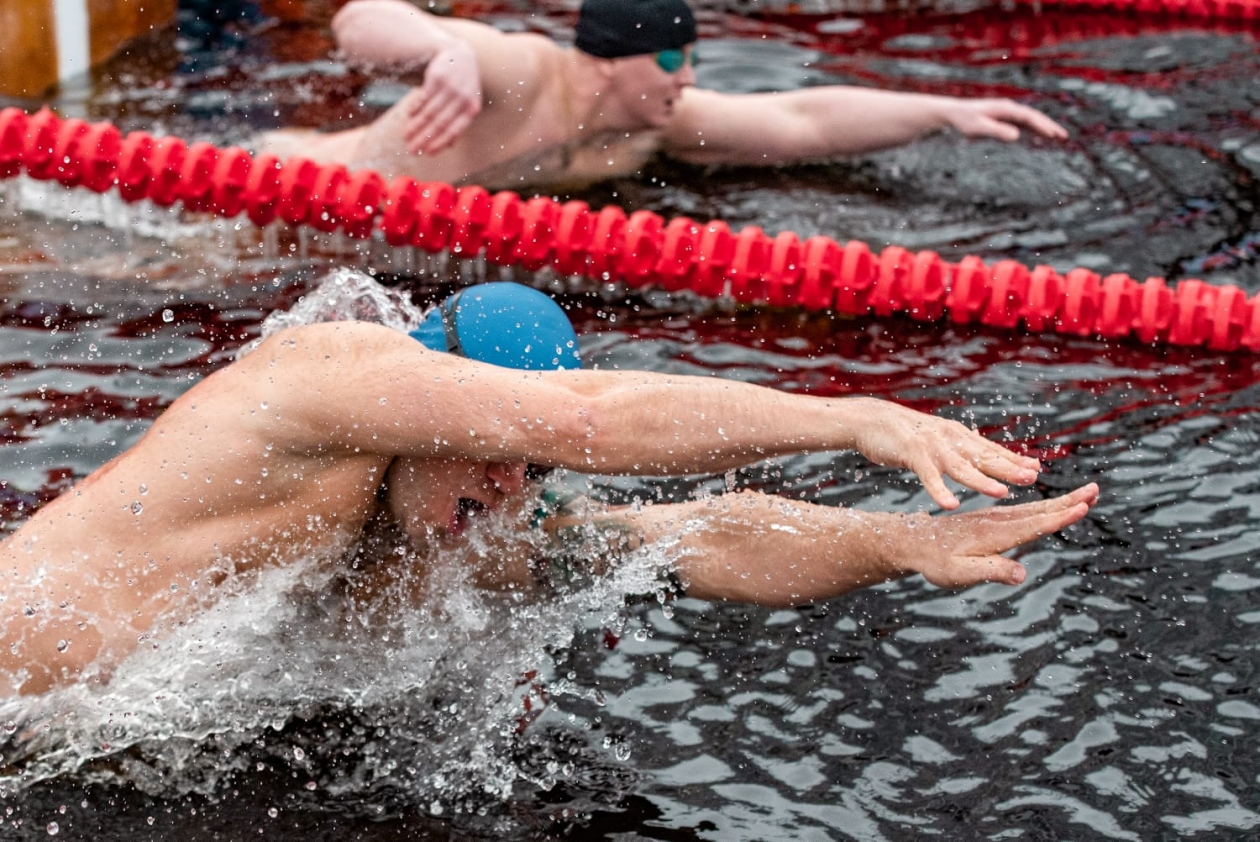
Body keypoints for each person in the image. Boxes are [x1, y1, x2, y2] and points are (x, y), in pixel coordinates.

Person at [0, 278, 1098, 699]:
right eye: (493, 441)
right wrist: (852, 416)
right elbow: (587, 421)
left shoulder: (456, 533)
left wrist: (892, 544)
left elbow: (699, 538)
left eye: (532, 469)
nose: (511, 477)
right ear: (438, 399)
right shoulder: (318, 384)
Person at [255, 0, 1070, 191]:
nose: (687, 77)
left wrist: (944, 109)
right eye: (674, 57)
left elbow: (798, 119)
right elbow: (359, 18)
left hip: (411, 242)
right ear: (611, 62)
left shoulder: (648, 129)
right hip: (279, 197)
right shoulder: (522, 72)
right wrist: (441, 48)